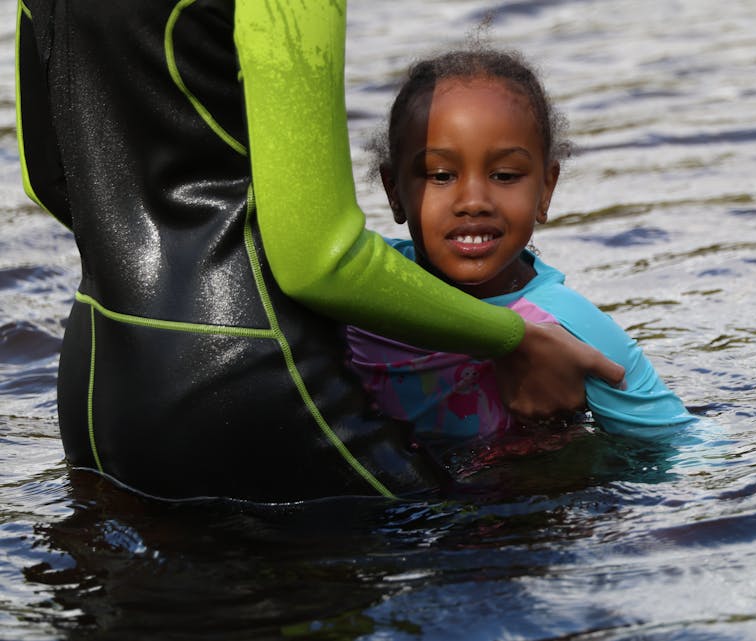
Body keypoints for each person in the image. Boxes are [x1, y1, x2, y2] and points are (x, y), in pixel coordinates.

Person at [14, 1, 623, 502]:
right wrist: (511, 337)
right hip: (251, 371)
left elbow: (47, 179)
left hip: (99, 376)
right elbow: (319, 261)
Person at [345, 47, 695, 452]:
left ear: (546, 189)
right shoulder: (360, 283)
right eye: (440, 175)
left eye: (505, 175)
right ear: (394, 192)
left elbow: (683, 443)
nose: (473, 200)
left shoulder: (566, 324)